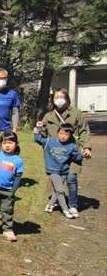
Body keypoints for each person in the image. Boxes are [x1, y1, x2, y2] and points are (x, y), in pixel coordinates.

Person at [39, 88, 93, 218]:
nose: (59, 100)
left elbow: (84, 131)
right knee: (58, 180)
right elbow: (43, 134)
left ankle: (73, 205)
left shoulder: (76, 113)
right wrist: (39, 129)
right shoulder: (49, 116)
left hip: (72, 151)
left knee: (71, 178)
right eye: (56, 97)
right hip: (56, 154)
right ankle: (55, 201)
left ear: (67, 98)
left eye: (61, 97)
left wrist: (87, 147)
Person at [34, 122, 87, 218]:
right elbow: (38, 139)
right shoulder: (50, 142)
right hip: (53, 170)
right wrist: (38, 128)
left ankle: (50, 205)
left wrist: (83, 154)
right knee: (60, 190)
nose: (63, 136)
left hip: (64, 170)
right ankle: (65, 210)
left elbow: (76, 157)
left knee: (57, 189)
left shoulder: (72, 146)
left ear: (70, 136)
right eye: (61, 134)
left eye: (66, 135)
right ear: (58, 133)